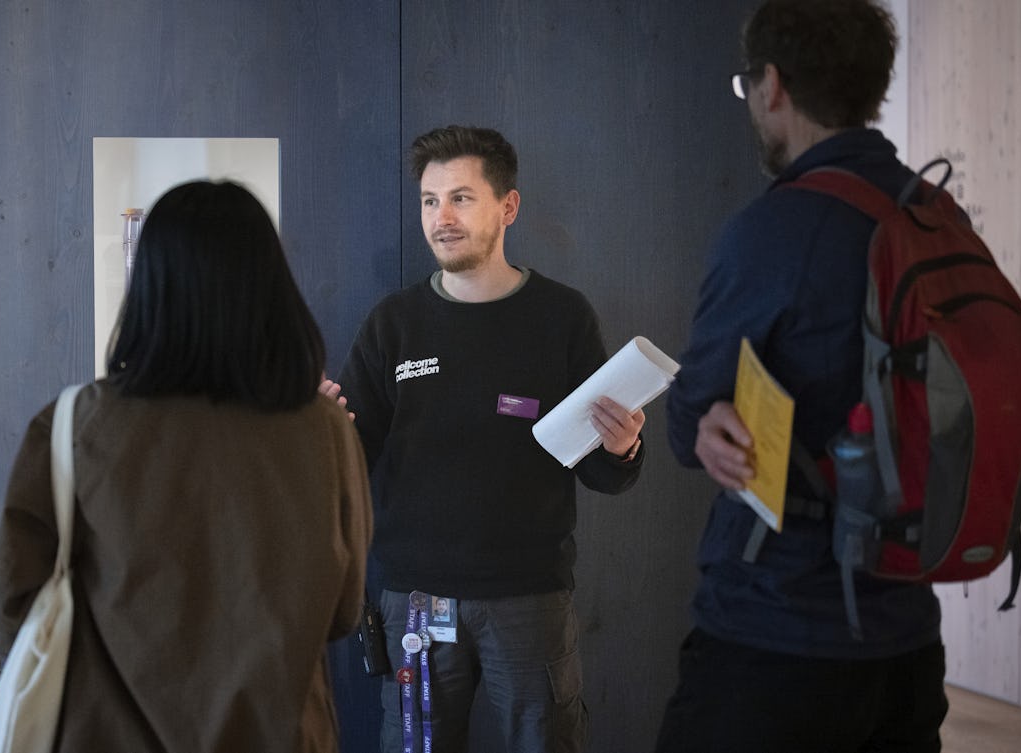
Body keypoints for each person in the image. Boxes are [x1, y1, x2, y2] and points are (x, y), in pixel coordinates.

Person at [0, 180, 373, 752]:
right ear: (270, 287)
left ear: (149, 286)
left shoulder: (77, 423)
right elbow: (343, 610)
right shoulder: (324, 430)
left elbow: (10, 601)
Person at [654, 2, 947, 751]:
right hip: (907, 631)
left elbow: (690, 421)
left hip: (777, 630)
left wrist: (703, 419)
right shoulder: (939, 217)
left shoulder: (774, 229)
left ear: (771, 85)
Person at [336, 125, 646, 753]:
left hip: (528, 597)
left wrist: (621, 447)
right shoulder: (393, 324)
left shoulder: (562, 317)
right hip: (416, 601)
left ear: (508, 207)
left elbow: (601, 471)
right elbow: (350, 461)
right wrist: (326, 433)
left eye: (461, 198)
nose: (441, 217)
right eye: (429, 200)